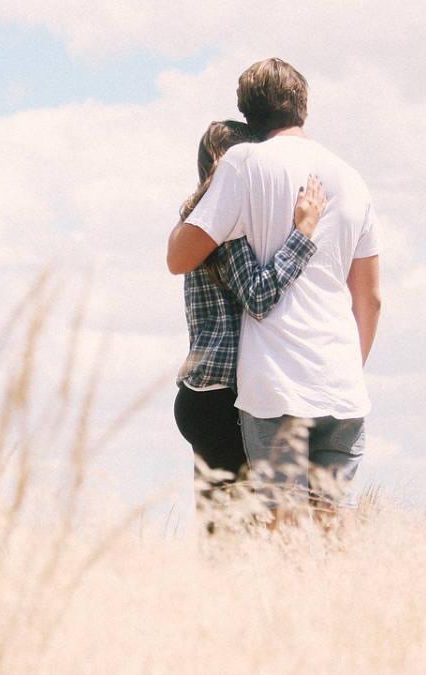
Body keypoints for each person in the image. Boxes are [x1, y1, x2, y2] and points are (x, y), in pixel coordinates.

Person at [167, 58, 383, 536]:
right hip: (337, 382)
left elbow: (183, 258)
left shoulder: (243, 170)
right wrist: (347, 367)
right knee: (336, 512)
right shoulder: (352, 177)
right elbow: (370, 300)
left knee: (269, 525)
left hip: (270, 385)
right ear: (304, 104)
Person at [173, 120, 327, 510]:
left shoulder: (197, 220)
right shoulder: (227, 224)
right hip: (223, 398)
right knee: (242, 536)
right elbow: (258, 296)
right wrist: (303, 235)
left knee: (221, 533)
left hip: (202, 394)